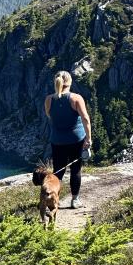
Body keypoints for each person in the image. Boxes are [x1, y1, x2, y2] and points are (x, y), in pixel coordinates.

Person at [44, 70, 92, 209]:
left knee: (58, 171)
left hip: (57, 140)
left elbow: (49, 116)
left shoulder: (49, 99)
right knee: (75, 170)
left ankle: (52, 199)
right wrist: (88, 138)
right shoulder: (76, 98)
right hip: (76, 139)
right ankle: (75, 200)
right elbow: (85, 119)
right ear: (70, 82)